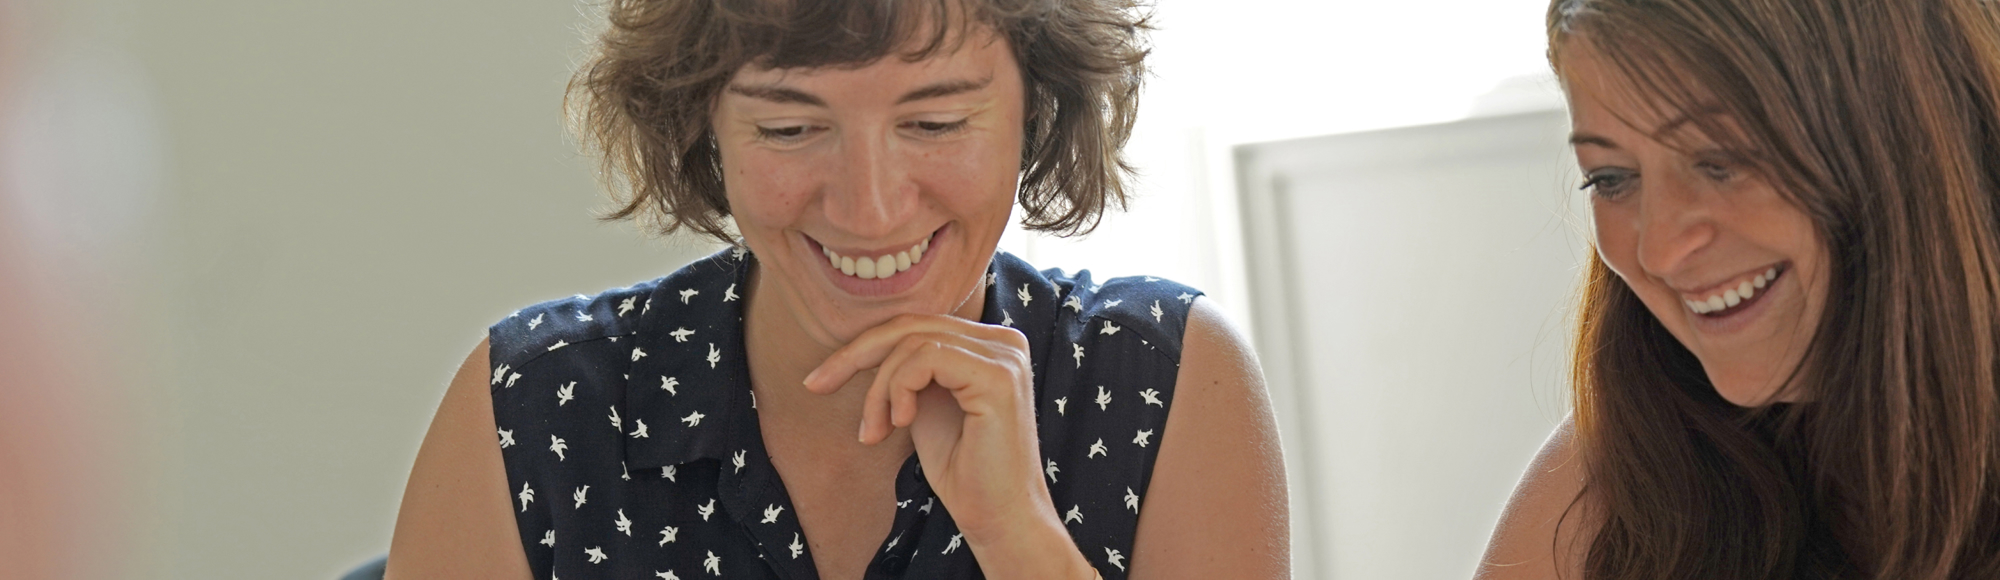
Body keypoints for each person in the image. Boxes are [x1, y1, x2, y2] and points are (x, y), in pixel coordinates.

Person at [384, 1, 1288, 578]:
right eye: (788, 128)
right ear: (704, 126)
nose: (870, 206)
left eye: (935, 121)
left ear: (1037, 111)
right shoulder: (533, 403)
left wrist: (1019, 538)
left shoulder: (1162, 378)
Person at [1479, 0, 2000, 578]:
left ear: (1907, 130)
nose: (1660, 250)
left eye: (1719, 159)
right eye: (1612, 178)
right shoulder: (1610, 485)